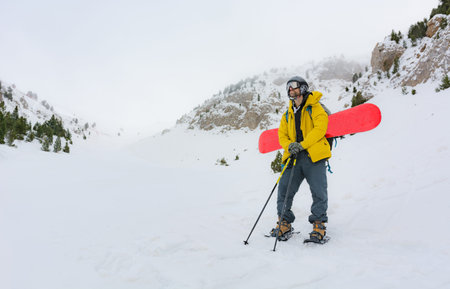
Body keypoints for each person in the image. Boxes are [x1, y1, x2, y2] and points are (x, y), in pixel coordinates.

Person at [270, 76, 331, 243]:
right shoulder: (287, 114)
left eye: (294, 86)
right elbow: (282, 134)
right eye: (288, 87)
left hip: (314, 156)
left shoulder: (315, 107)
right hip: (294, 157)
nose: (290, 89)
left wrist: (302, 145)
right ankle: (284, 223)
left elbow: (320, 129)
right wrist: (290, 146)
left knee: (318, 191)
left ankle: (319, 225)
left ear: (303, 88)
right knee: (284, 190)